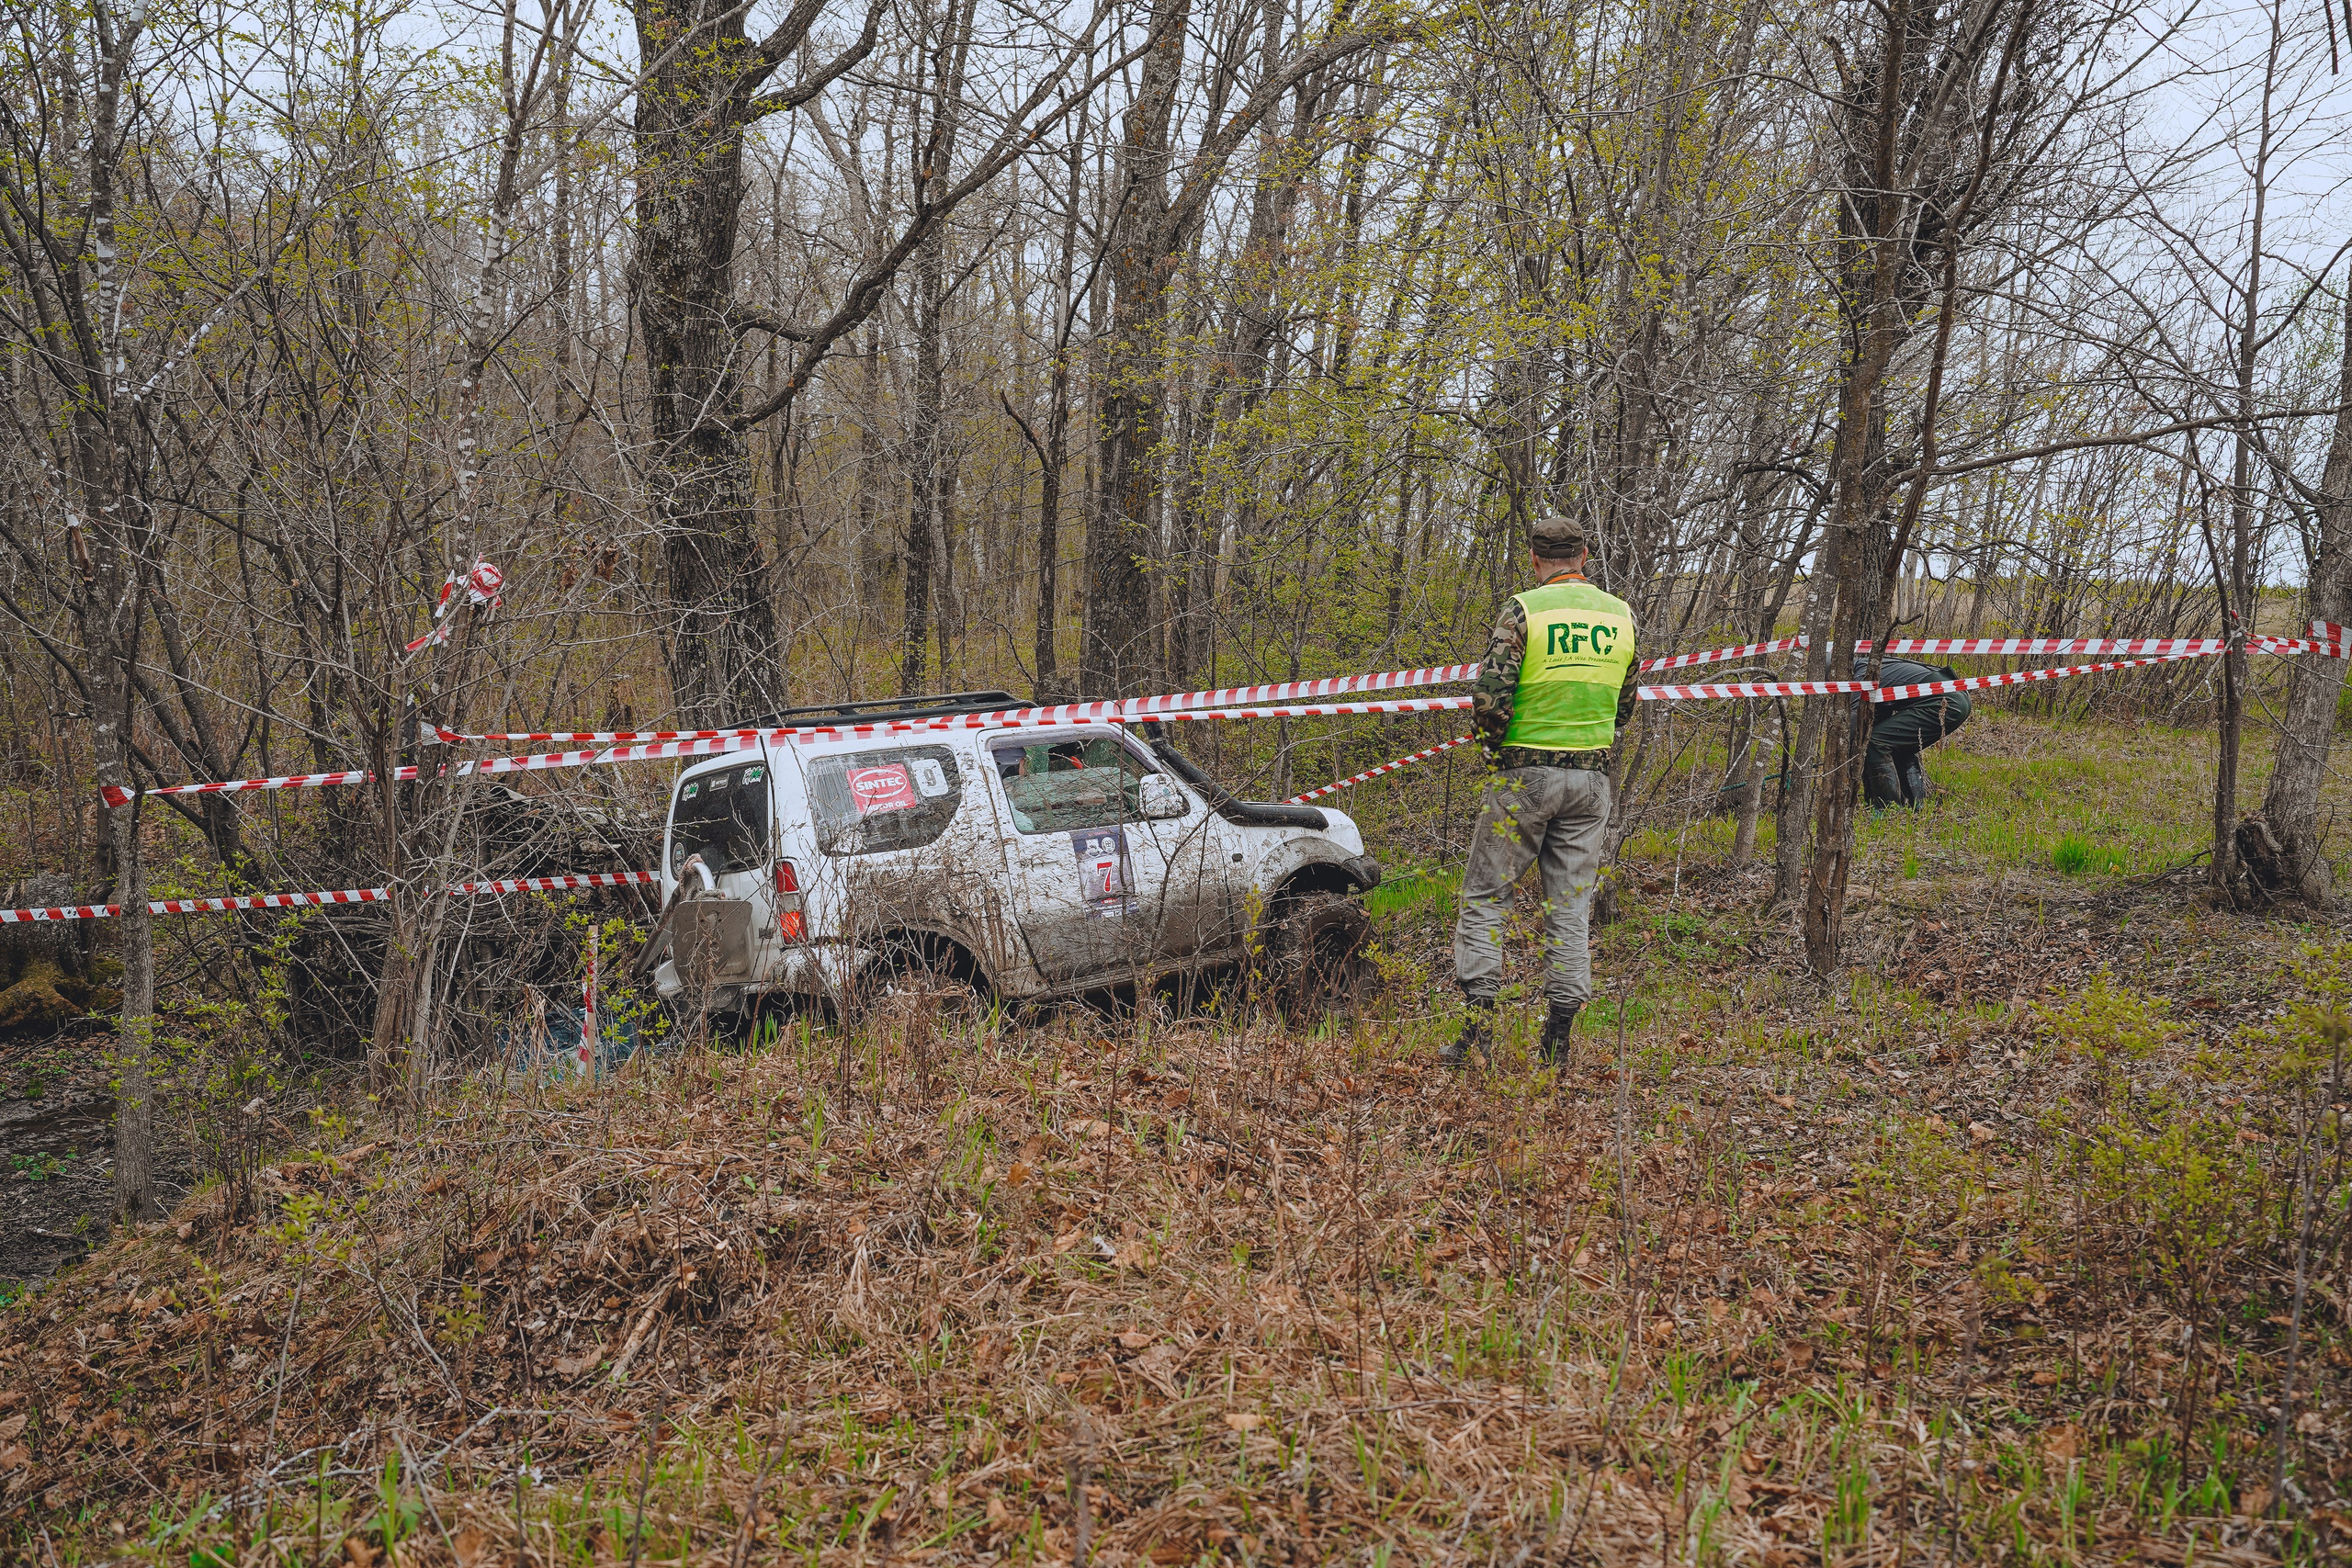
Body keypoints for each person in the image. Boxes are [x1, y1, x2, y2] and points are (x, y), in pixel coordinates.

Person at [1446, 515, 1640, 1069]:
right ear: (1585, 556)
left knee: (1487, 897)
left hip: (1524, 775)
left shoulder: (1524, 610)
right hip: (1591, 780)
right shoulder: (1622, 615)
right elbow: (1626, 704)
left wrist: (1494, 753)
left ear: (1535, 559)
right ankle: (1557, 1041)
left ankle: (1478, 1035)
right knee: (1570, 906)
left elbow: (1490, 700)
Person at [1862, 658, 1972, 809]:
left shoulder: (1861, 676)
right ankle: (1916, 806)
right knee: (1899, 745)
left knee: (1876, 743)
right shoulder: (1870, 666)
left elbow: (1856, 725)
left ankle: (1888, 810)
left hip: (1946, 700)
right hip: (1956, 695)